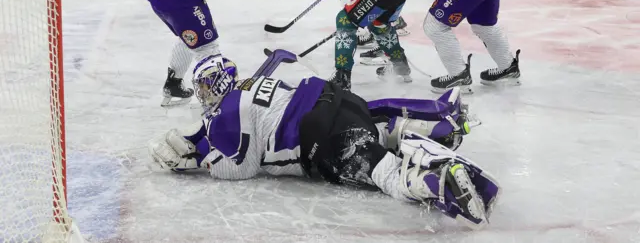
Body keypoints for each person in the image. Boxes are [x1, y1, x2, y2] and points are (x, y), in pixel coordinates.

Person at [148, 51, 501, 230]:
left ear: (221, 83)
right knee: (373, 131)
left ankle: (435, 179)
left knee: (384, 171)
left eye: (206, 85)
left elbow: (242, 167)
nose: (203, 93)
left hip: (322, 134)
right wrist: (203, 140)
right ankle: (432, 125)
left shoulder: (227, 111)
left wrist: (203, 162)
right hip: (335, 99)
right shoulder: (250, 86)